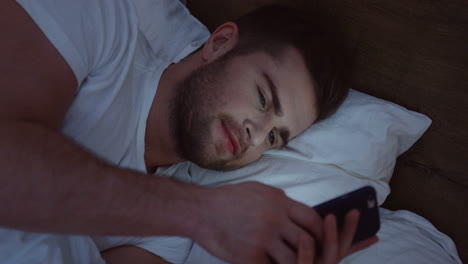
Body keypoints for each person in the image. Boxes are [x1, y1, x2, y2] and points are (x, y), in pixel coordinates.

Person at [0, 0, 377, 263]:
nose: (257, 136)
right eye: (263, 98)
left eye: (277, 137)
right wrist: (199, 213)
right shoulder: (101, 25)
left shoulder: (172, 238)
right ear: (220, 43)